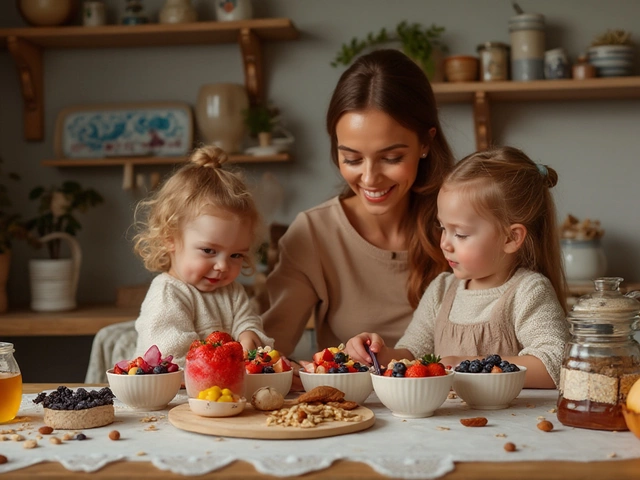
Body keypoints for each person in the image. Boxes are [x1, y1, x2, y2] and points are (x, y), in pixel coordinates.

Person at [262, 49, 455, 359]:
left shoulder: (462, 226)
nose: (369, 177)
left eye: (391, 158)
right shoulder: (313, 233)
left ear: (425, 143)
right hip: (351, 407)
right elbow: (270, 351)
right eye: (351, 158)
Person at [345, 146, 570, 389]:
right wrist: (379, 353)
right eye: (443, 228)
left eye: (460, 234)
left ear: (510, 238)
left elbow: (555, 365)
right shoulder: (442, 289)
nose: (444, 243)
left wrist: (464, 365)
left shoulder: (528, 291)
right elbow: (412, 355)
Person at [133, 145, 273, 367]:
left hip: (219, 396)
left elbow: (248, 322)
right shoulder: (168, 293)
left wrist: (249, 335)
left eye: (236, 255)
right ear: (169, 238)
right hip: (172, 399)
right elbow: (170, 360)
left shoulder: (232, 292)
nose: (222, 266)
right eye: (209, 251)